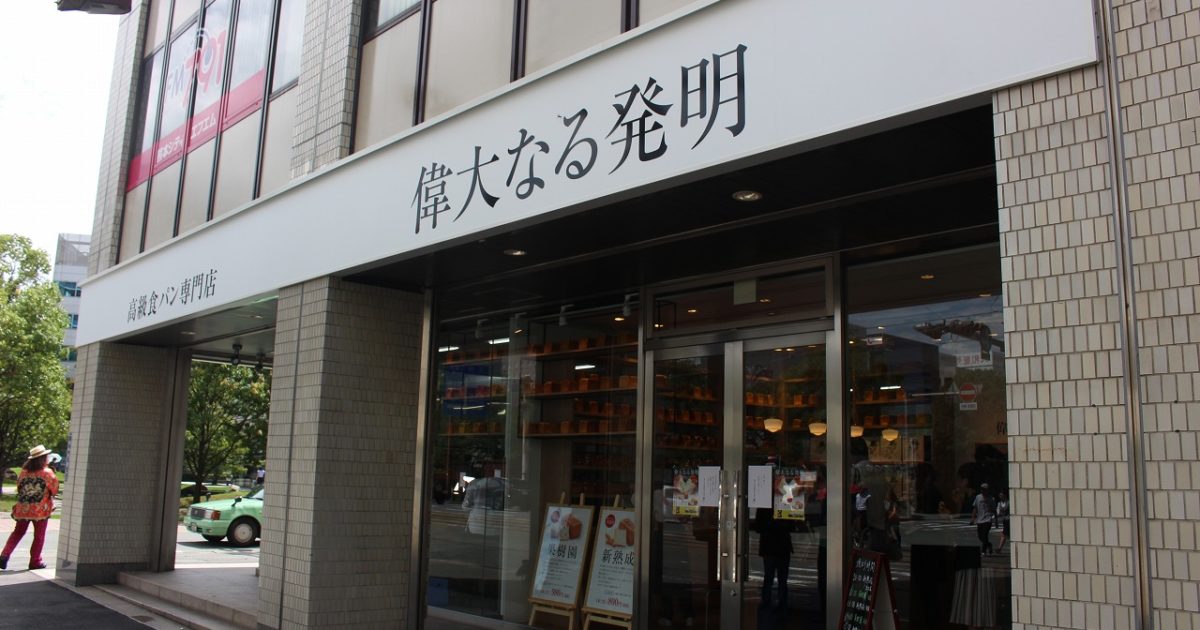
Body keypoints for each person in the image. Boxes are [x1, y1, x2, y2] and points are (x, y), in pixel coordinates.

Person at [1, 445, 59, 571]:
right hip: (40, 510)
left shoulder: (23, 472)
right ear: (43, 458)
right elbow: (54, 490)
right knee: (39, 536)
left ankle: (4, 555)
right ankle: (35, 561)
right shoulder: (47, 473)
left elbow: (19, 488)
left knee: (18, 532)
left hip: (23, 508)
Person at [754, 507, 793, 609]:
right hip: (782, 546)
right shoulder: (785, 504)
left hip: (769, 546)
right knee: (782, 579)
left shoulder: (764, 506)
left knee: (769, 577)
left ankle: (767, 603)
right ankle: (781, 604)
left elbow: (758, 526)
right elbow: (792, 525)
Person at [969, 482, 995, 556]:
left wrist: (995, 520)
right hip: (980, 520)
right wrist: (972, 518)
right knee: (980, 536)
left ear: (987, 490)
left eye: (984, 489)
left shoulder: (991, 498)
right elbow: (975, 508)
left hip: (988, 519)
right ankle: (989, 544)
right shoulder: (978, 497)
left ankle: (983, 551)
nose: (982, 491)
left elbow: (994, 509)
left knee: (985, 535)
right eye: (982, 489)